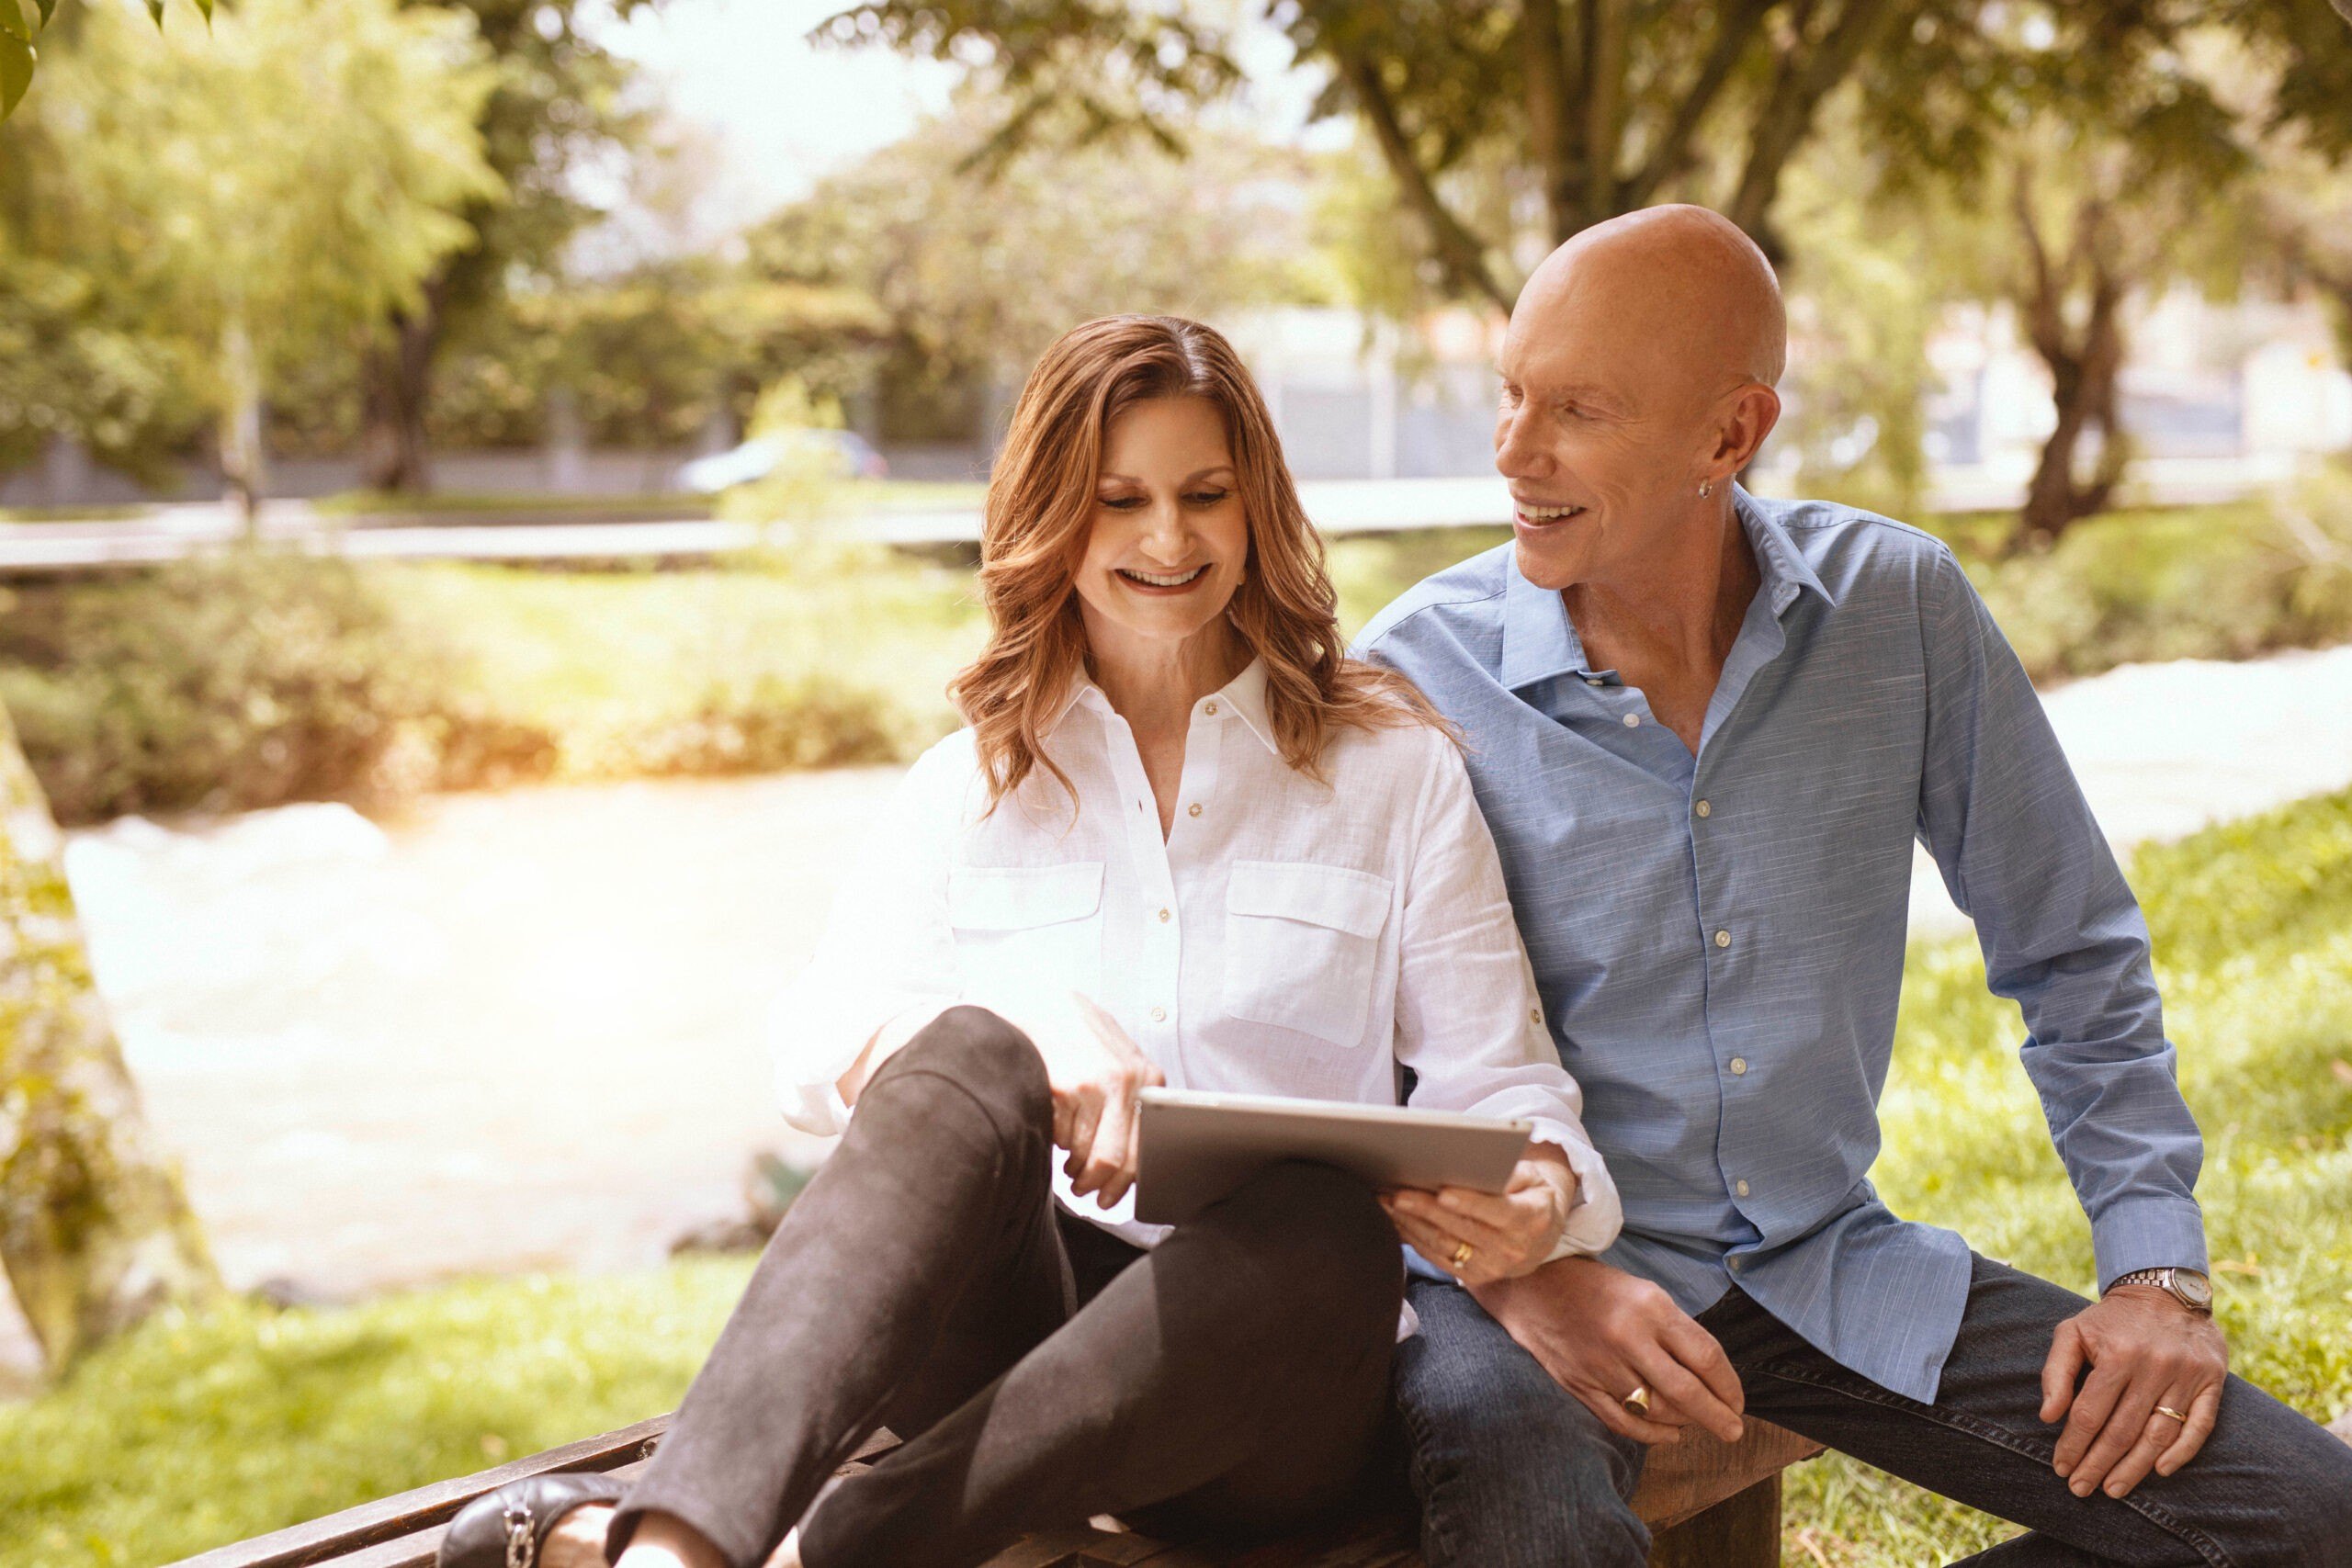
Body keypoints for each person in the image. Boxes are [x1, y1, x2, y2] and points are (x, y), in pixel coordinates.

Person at [438, 313, 1622, 1568]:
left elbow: (1508, 1088)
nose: (1168, 539)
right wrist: (1017, 1021)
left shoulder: (1392, 774)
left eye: (1204, 495)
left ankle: (811, 1554)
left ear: (1256, 508)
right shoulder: (970, 784)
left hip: (1269, 1395)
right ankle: (679, 1550)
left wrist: (1542, 1199)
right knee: (959, 1048)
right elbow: (811, 1044)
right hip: (1014, 1351)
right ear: (1056, 517)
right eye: (1120, 502)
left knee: (1324, 1226)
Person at [1357, 203, 2352, 1566]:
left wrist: (2156, 1271)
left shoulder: (1900, 609)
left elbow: (2071, 952)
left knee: (2307, 1520)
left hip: (1820, 1271)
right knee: (1530, 1517)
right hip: (1531, 1294)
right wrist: (1524, 1274)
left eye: (1576, 410)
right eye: (1511, 396)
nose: (1515, 454)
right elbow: (1348, 1070)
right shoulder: (1416, 674)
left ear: (1730, 434)